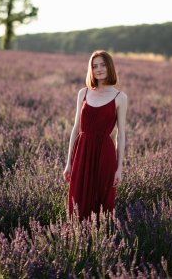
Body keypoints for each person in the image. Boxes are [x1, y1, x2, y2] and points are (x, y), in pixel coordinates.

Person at [63, 50, 128, 224]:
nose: (99, 69)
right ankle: (75, 243)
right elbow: (76, 128)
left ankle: (99, 244)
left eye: (102, 64)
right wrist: (68, 162)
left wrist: (119, 168)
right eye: (94, 66)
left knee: (101, 203)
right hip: (81, 153)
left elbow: (121, 136)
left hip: (104, 155)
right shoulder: (83, 93)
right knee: (77, 200)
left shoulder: (120, 97)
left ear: (110, 67)